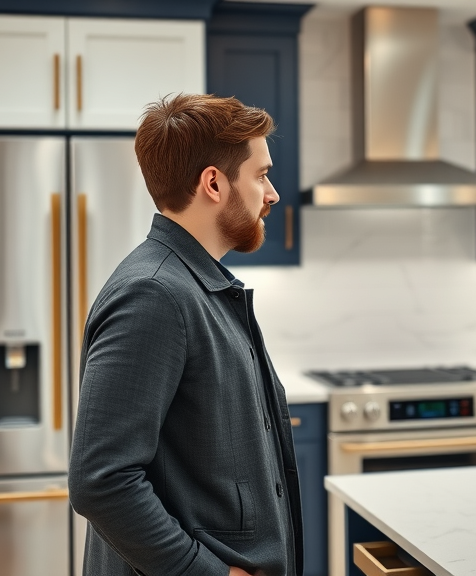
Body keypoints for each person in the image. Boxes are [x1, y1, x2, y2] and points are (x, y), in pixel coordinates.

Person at [69, 93, 303, 576]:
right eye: (261, 175)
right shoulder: (154, 295)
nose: (273, 193)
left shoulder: (200, 286)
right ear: (213, 183)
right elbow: (101, 480)